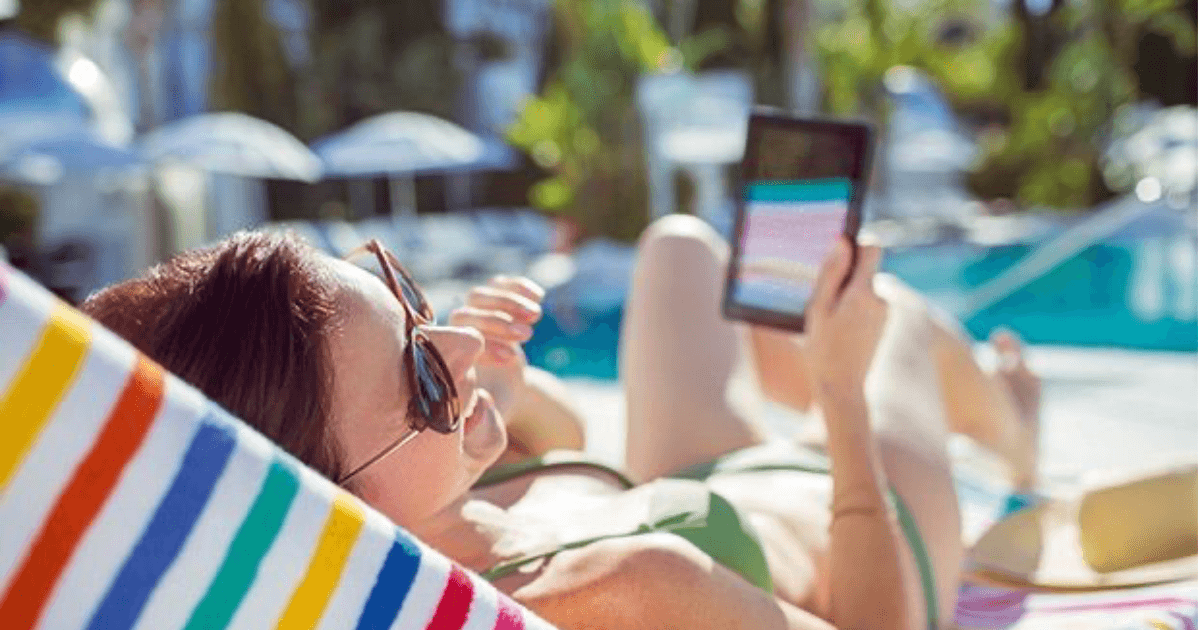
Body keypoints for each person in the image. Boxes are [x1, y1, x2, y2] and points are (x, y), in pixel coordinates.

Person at [81, 214, 1040, 630]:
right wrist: (840, 393)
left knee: (679, 249)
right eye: (422, 372)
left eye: (411, 303)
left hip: (703, 484)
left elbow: (571, 451)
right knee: (895, 316)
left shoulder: (423, 518)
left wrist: (496, 398)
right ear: (338, 498)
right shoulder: (625, 590)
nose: (459, 338)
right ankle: (1015, 429)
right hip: (863, 527)